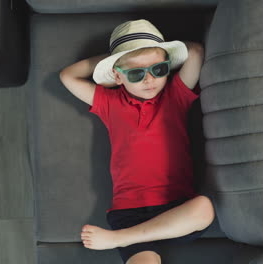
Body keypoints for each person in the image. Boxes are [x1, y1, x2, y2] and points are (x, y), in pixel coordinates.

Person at [59, 19, 215, 264]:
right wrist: (114, 60)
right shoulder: (110, 103)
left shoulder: (175, 96)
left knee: (204, 207)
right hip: (129, 212)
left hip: (175, 210)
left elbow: (195, 52)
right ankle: (128, 237)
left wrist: (157, 51)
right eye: (136, 73)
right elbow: (68, 76)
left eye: (158, 69)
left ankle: (120, 238)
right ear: (118, 77)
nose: (149, 79)